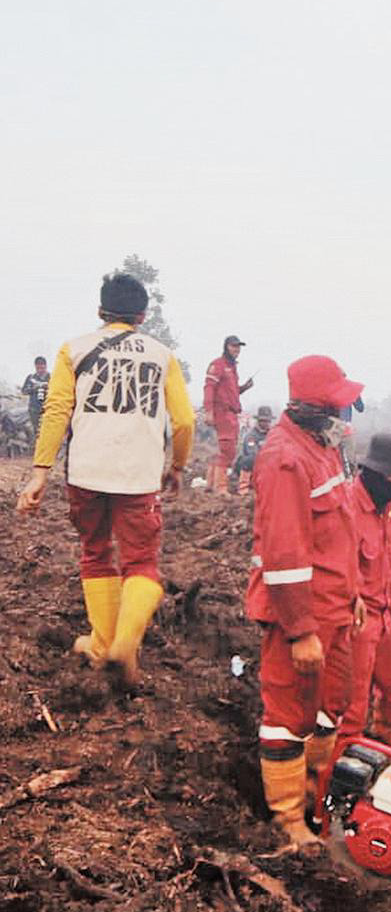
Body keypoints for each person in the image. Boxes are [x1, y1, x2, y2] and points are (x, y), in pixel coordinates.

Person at [15, 273, 194, 685]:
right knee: (142, 564)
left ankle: (101, 645)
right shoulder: (162, 355)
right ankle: (123, 646)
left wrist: (39, 473)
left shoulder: (73, 350)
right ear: (143, 316)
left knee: (95, 552)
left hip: (85, 472)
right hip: (139, 476)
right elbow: (184, 421)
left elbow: (57, 410)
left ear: (100, 312)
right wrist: (178, 466)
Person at [247, 356, 364, 849]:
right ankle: (288, 820)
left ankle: (318, 804)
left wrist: (355, 595)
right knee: (286, 716)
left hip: (336, 611)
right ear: (313, 408)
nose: (348, 416)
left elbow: (338, 533)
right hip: (303, 617)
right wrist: (300, 630)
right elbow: (284, 554)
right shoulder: (284, 459)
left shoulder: (322, 450)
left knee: (327, 710)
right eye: (339, 406)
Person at [337, 433, 391, 754]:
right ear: (373, 472)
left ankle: (388, 731)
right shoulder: (346, 506)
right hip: (355, 616)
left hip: (383, 612)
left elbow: (387, 560)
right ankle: (342, 756)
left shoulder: (390, 506)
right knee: (353, 697)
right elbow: (335, 567)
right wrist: (351, 603)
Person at [203, 335, 252, 495]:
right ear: (226, 347)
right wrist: (208, 411)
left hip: (232, 413)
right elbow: (209, 388)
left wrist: (244, 387)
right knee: (227, 450)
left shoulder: (232, 367)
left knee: (226, 449)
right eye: (233, 346)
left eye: (238, 347)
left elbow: (231, 392)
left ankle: (211, 483)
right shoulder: (218, 365)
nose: (236, 349)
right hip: (222, 413)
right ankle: (221, 487)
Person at [230, 404, 274, 494]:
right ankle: (243, 486)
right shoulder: (251, 436)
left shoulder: (273, 434)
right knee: (250, 459)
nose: (265, 423)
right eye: (263, 421)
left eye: (267, 421)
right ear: (258, 421)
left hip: (269, 466)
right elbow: (253, 453)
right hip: (253, 465)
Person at [20, 356, 49, 438]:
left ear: (45, 366)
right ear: (35, 366)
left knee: (47, 430)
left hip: (47, 408)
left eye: (42, 365)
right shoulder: (31, 378)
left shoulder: (51, 377)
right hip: (34, 409)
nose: (40, 368)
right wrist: (34, 388)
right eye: (38, 365)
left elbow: (57, 390)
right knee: (37, 431)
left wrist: (47, 387)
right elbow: (23, 391)